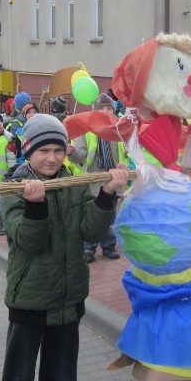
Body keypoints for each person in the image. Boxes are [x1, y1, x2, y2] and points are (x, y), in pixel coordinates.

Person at [0, 114, 129, 381]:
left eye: (58, 149)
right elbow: (28, 241)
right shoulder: (13, 188)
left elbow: (91, 231)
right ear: (28, 152)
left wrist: (106, 193)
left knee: (61, 372)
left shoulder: (72, 183)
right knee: (20, 374)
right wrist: (34, 205)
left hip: (69, 297)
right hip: (30, 298)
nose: (52, 158)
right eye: (43, 151)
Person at [69, 93, 128, 262]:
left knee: (110, 215)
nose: (106, 112)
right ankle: (89, 248)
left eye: (109, 108)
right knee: (93, 215)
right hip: (94, 180)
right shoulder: (86, 130)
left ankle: (109, 246)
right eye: (102, 109)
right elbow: (80, 156)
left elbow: (124, 153)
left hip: (113, 178)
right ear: (95, 111)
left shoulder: (118, 130)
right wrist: (72, 152)